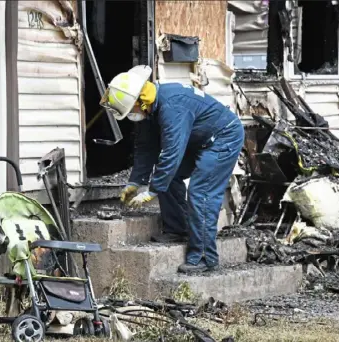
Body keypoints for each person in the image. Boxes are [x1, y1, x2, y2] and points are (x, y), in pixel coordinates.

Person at [100, 65, 245, 274]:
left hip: (223, 137)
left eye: (131, 109)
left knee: (201, 192)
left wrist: (151, 191)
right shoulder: (150, 107)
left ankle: (204, 257)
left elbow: (172, 153)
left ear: (140, 102)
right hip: (199, 139)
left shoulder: (172, 107)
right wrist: (135, 182)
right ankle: (177, 228)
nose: (131, 114)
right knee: (169, 176)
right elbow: (145, 148)